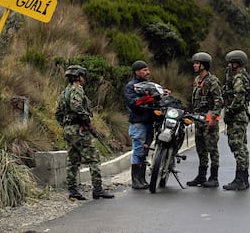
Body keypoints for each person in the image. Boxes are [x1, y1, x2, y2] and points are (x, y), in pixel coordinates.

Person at [55, 65, 114, 200]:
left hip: (69, 129)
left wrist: (66, 125)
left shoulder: (65, 92)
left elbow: (58, 114)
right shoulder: (77, 89)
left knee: (73, 160)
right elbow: (76, 107)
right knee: (94, 158)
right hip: (78, 129)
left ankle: (73, 190)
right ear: (79, 77)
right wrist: (85, 119)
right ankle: (97, 189)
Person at [124, 60, 170, 189]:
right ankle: (136, 180)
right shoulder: (131, 86)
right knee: (138, 150)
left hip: (149, 122)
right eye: (144, 70)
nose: (147, 72)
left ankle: (142, 179)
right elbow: (133, 103)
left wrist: (162, 94)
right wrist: (150, 98)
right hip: (138, 122)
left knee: (144, 150)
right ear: (136, 72)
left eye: (147, 69)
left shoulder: (149, 85)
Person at [186, 52, 223, 188]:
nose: (194, 65)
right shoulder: (197, 80)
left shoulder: (212, 81)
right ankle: (201, 176)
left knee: (212, 148)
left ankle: (214, 177)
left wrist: (213, 119)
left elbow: (218, 101)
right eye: (194, 63)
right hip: (199, 120)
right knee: (200, 148)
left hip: (209, 120)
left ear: (204, 65)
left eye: (197, 63)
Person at [222, 50, 250, 191]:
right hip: (242, 117)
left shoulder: (238, 78)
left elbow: (238, 99)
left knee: (237, 147)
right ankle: (244, 178)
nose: (229, 65)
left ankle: (240, 180)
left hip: (237, 118)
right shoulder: (244, 76)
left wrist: (229, 112)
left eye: (231, 62)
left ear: (237, 63)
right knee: (243, 148)